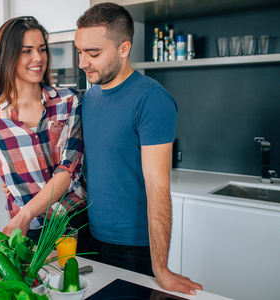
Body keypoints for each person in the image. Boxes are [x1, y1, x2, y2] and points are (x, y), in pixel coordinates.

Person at [74, 2, 203, 295]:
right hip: (90, 239)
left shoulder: (152, 100)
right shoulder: (90, 99)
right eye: (80, 51)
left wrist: (161, 269)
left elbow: (158, 184)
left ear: (124, 49)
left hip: (133, 249)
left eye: (93, 53)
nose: (83, 62)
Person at [0, 16, 85, 243]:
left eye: (42, 49)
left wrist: (26, 213)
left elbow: (69, 169)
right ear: (7, 57)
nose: (38, 58)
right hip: (28, 230)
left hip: (72, 222)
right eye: (27, 51)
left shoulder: (68, 101)